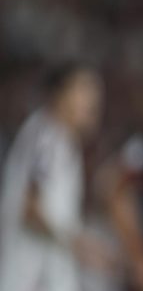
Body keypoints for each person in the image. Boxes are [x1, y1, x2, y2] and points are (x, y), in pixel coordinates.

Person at [0, 63, 103, 291]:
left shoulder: (64, 142)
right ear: (59, 94)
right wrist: (77, 243)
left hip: (47, 275)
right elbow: (29, 209)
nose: (93, 99)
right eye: (83, 89)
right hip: (26, 277)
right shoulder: (46, 137)